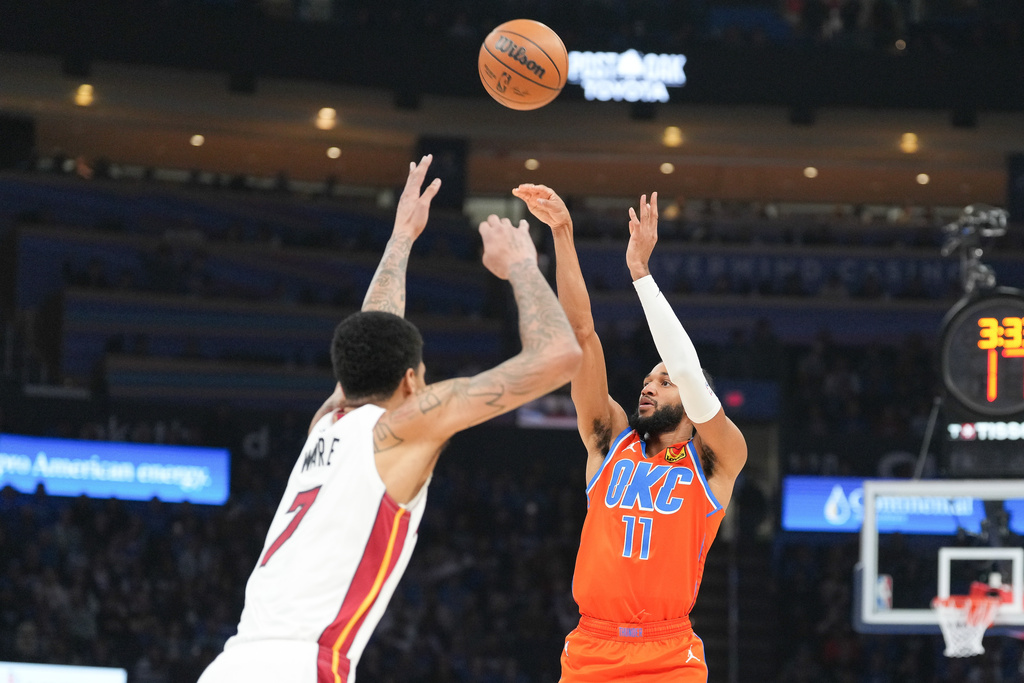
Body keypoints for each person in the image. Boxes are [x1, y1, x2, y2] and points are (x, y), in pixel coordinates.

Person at [198, 157, 582, 683]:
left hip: (231, 664)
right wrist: (521, 263)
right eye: (422, 378)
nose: (423, 387)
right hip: (301, 669)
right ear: (409, 384)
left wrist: (402, 235)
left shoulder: (327, 422)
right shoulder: (398, 428)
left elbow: (374, 332)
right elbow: (559, 356)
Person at [513, 184, 748, 682]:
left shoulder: (716, 456)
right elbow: (580, 334)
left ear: (690, 396)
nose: (648, 387)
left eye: (663, 383)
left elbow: (687, 368)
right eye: (646, 380)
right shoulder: (609, 440)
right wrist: (562, 233)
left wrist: (641, 274)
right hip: (591, 648)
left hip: (670, 656)